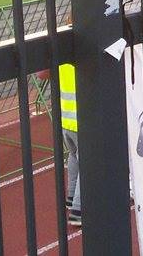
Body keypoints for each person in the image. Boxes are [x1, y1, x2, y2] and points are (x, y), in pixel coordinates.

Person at [59, 62, 81, 226]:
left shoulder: (63, 53)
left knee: (73, 156)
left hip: (66, 119)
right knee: (87, 163)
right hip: (82, 118)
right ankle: (78, 210)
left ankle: (71, 196)